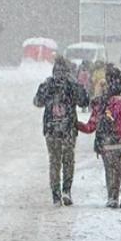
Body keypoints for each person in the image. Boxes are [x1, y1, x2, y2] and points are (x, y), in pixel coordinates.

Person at [77, 66, 121, 208]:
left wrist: (76, 125)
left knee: (111, 169)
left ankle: (112, 197)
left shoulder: (102, 100)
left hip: (109, 142)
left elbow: (91, 126)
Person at [34, 56, 89, 206]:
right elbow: (84, 101)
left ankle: (56, 195)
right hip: (68, 129)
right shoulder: (71, 86)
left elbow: (37, 102)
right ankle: (66, 190)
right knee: (68, 161)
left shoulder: (48, 85)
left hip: (51, 129)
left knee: (54, 162)